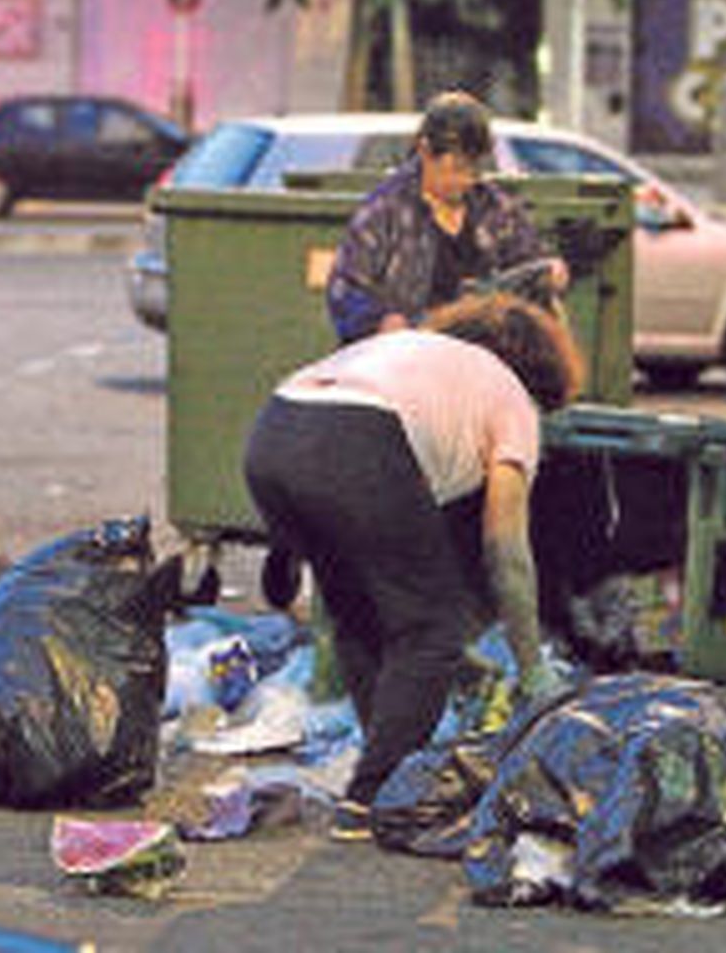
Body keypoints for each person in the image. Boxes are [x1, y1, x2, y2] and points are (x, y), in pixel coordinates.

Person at [242, 291, 584, 840]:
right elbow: (507, 552)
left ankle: (381, 768)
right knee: (432, 630)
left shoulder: (422, 357)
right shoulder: (513, 400)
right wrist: (532, 668)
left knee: (359, 616)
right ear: (543, 376)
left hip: (272, 434)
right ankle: (374, 797)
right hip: (356, 441)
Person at [325, 90, 564, 343]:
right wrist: (380, 321)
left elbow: (529, 259)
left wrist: (550, 271)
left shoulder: (494, 208)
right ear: (425, 151)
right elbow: (345, 289)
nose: (467, 180)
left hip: (483, 356)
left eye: (474, 169)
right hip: (406, 356)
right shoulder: (385, 211)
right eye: (457, 168)